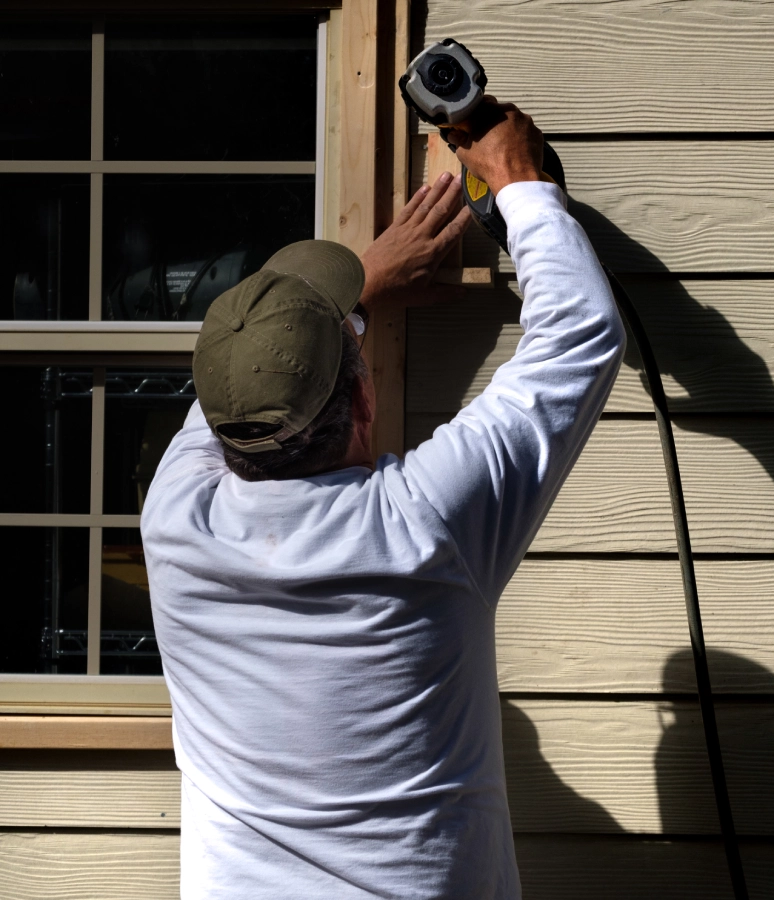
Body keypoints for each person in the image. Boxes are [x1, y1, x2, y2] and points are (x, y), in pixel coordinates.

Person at [141, 101, 625, 899]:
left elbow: (246, 388)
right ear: (365, 400)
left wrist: (360, 288)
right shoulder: (423, 524)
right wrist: (519, 180)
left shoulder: (172, 515)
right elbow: (579, 334)